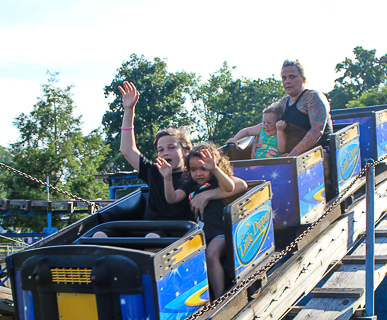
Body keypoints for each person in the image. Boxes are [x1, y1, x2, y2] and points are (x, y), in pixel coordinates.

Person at [111, 81, 246, 225]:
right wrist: (128, 110)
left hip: (178, 233)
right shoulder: (153, 172)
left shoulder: (194, 173)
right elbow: (127, 150)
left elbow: (240, 185)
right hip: (149, 228)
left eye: (171, 147)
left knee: (153, 239)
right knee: (100, 234)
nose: (165, 153)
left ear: (185, 151)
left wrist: (207, 194)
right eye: (160, 150)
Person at [158, 143, 246, 299]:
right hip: (202, 233)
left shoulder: (217, 181)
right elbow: (172, 198)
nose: (198, 173)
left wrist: (215, 169)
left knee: (211, 254)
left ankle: (219, 297)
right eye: (193, 169)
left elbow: (231, 186)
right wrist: (167, 178)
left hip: (221, 231)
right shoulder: (190, 185)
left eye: (203, 169)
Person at [273, 59, 334, 157]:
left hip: (317, 155)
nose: (287, 81)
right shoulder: (283, 102)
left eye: (292, 77)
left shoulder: (313, 97)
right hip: (288, 157)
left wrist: (292, 156)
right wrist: (256, 142)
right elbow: (267, 125)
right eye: (284, 78)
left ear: (303, 79)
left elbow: (316, 131)